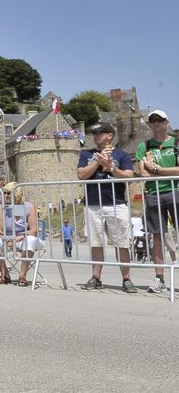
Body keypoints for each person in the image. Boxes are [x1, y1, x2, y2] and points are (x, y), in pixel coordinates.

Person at [78, 122, 136, 293]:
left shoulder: (122, 155)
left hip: (116, 204)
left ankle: (126, 279)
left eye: (99, 133)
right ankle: (96, 277)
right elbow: (81, 175)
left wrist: (111, 167)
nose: (95, 136)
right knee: (96, 242)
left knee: (122, 243)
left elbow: (128, 176)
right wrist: (97, 161)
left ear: (110, 135)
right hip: (94, 203)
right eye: (93, 133)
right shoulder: (87, 154)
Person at [136, 109, 179, 293]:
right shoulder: (144, 146)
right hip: (154, 193)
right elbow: (143, 172)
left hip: (175, 190)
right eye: (152, 121)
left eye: (159, 120)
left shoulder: (176, 142)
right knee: (157, 236)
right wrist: (152, 170)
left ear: (166, 122)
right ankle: (159, 278)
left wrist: (158, 170)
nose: (156, 124)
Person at [0, 183, 44, 287]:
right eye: (4, 193)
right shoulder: (1, 206)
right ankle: (4, 273)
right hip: (7, 239)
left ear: (17, 193)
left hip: (24, 239)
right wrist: (7, 239)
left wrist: (16, 239)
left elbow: (33, 230)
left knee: (30, 240)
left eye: (9, 193)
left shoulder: (28, 206)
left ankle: (22, 275)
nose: (6, 195)